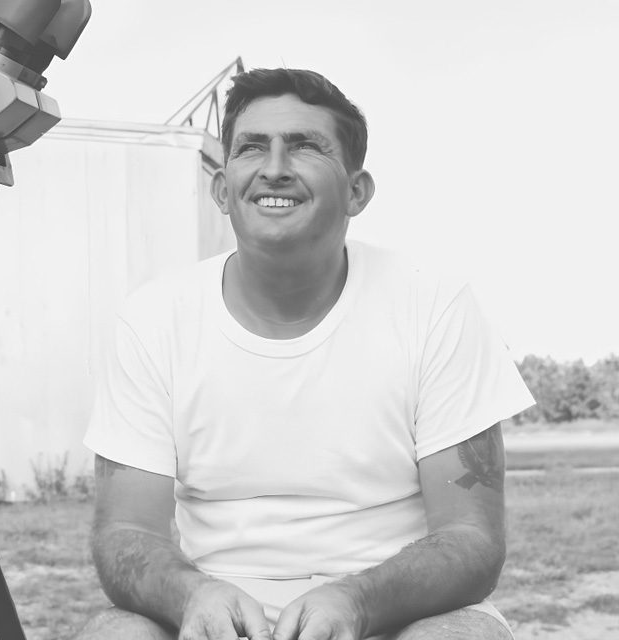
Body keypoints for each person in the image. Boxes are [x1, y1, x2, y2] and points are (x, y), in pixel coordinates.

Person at [75, 68, 535, 640]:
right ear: (222, 189)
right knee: (113, 634)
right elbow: (125, 531)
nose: (273, 168)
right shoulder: (153, 319)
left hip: (393, 610)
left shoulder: (435, 304)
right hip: (214, 609)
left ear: (356, 191)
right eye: (250, 148)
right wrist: (195, 595)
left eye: (304, 147)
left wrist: (357, 602)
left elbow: (472, 539)